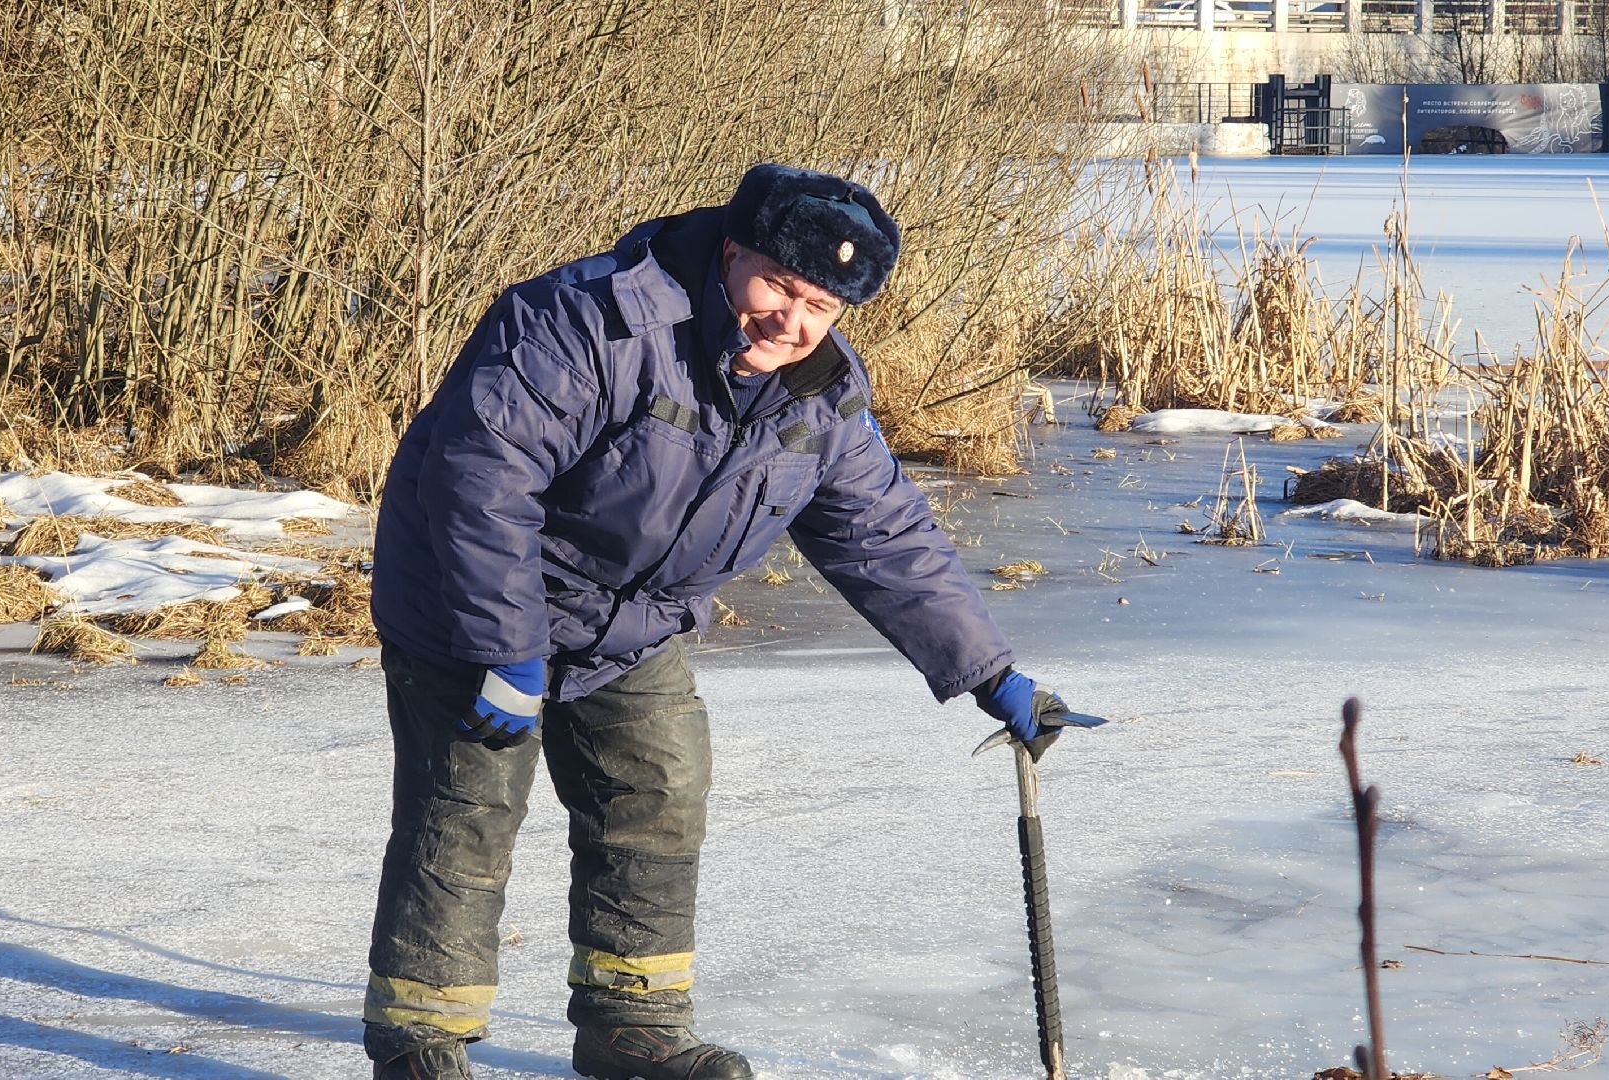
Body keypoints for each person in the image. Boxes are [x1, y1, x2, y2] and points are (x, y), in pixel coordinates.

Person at [364, 163, 1090, 1080]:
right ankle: (420, 1038)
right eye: (780, 288)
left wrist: (990, 671)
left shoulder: (820, 394)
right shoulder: (586, 318)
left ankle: (633, 1025)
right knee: (465, 808)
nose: (792, 324)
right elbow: (478, 482)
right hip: (471, 600)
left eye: (821, 307)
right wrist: (505, 650)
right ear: (730, 250)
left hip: (634, 625)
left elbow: (883, 535)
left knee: (657, 794)